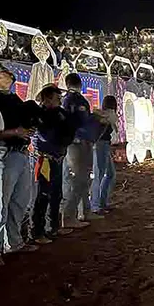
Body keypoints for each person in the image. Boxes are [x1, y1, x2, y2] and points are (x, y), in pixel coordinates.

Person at [0, 62, 37, 267]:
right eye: (3, 72)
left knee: (19, 201)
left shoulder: (14, 99)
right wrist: (15, 133)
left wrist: (28, 128)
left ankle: (13, 242)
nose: (9, 74)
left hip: (20, 153)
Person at [29, 84, 77, 244]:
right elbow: (47, 136)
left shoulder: (60, 113)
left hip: (57, 157)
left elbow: (70, 131)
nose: (60, 99)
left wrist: (63, 140)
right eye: (57, 97)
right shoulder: (39, 114)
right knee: (42, 195)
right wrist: (62, 139)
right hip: (44, 159)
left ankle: (54, 226)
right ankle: (37, 231)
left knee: (56, 193)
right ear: (47, 98)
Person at [62, 73, 97, 224]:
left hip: (79, 142)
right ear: (80, 84)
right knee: (79, 179)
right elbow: (82, 123)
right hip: (77, 143)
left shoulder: (67, 100)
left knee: (83, 178)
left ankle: (85, 211)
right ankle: (69, 216)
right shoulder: (75, 100)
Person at [91, 95, 119, 215]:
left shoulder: (102, 114)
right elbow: (113, 122)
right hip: (100, 145)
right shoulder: (107, 115)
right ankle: (96, 205)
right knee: (99, 174)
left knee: (109, 174)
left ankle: (102, 202)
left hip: (104, 145)